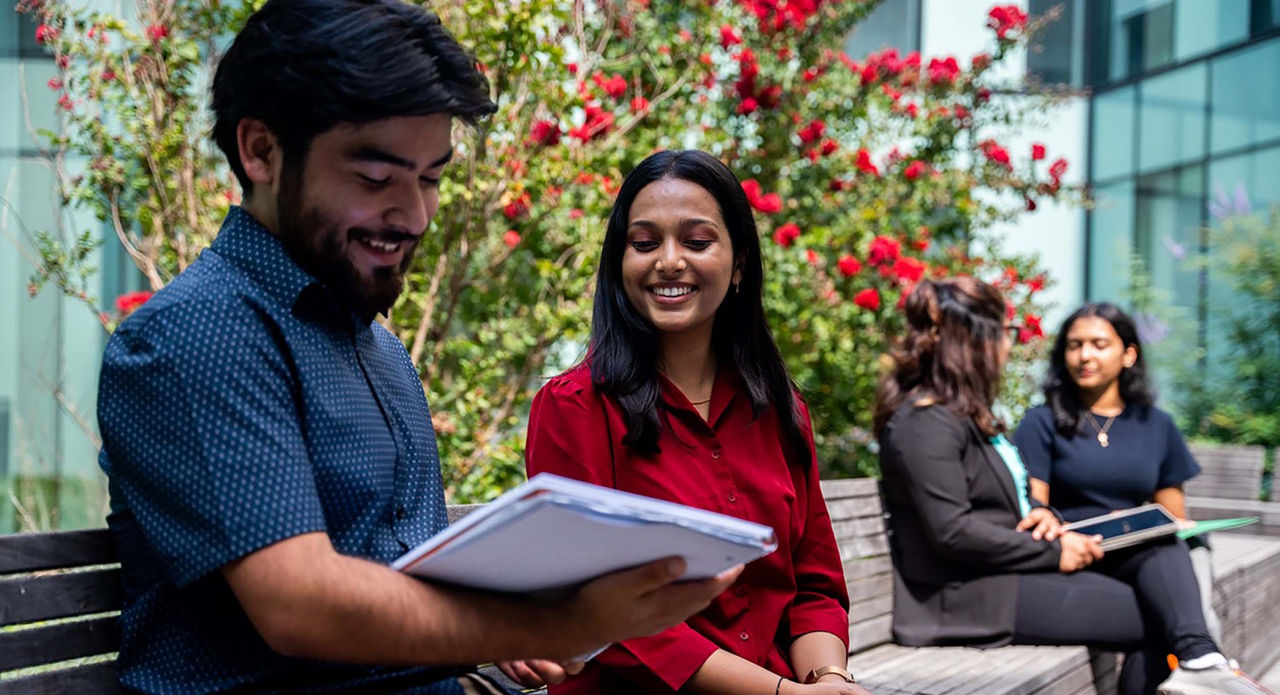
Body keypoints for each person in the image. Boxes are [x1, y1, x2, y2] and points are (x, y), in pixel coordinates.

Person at [94, 3, 740, 693]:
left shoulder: (376, 349)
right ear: (261, 152)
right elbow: (298, 602)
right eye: (376, 180)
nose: (415, 214)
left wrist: (513, 630)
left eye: (430, 178)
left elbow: (409, 589)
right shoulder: (197, 334)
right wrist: (547, 625)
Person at [518, 150, 865, 695]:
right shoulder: (574, 408)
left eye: (697, 242)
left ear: (740, 263)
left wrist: (829, 680)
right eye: (645, 243)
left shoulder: (779, 409)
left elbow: (814, 587)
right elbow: (603, 609)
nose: (669, 261)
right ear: (619, 261)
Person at [874, 279, 1271, 695]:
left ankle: (1200, 659)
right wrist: (1053, 549)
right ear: (976, 341)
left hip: (1002, 576)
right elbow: (952, 531)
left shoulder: (963, 417)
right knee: (1161, 618)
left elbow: (1000, 506)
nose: (1008, 348)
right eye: (1004, 335)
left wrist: (1042, 515)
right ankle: (1200, 659)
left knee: (1163, 552)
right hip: (965, 599)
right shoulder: (925, 423)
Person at [1013, 303, 1273, 695]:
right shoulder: (1042, 421)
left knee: (1178, 551)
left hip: (1141, 555)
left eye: (1099, 344)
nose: (1085, 355)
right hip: (1077, 553)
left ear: (1128, 354)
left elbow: (1174, 515)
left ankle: (1198, 657)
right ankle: (1201, 656)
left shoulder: (1157, 425)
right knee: (1164, 597)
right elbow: (1037, 507)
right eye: (1074, 345)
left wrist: (1142, 521)